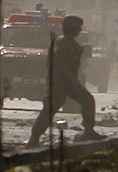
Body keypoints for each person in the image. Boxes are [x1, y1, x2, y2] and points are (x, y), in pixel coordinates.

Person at [27, 15, 104, 147]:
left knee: (88, 101)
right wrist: (72, 80)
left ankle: (89, 131)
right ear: (71, 28)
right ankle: (34, 138)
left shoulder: (68, 42)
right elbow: (60, 63)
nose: (80, 30)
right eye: (78, 27)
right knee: (50, 110)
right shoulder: (62, 42)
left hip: (68, 82)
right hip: (60, 83)